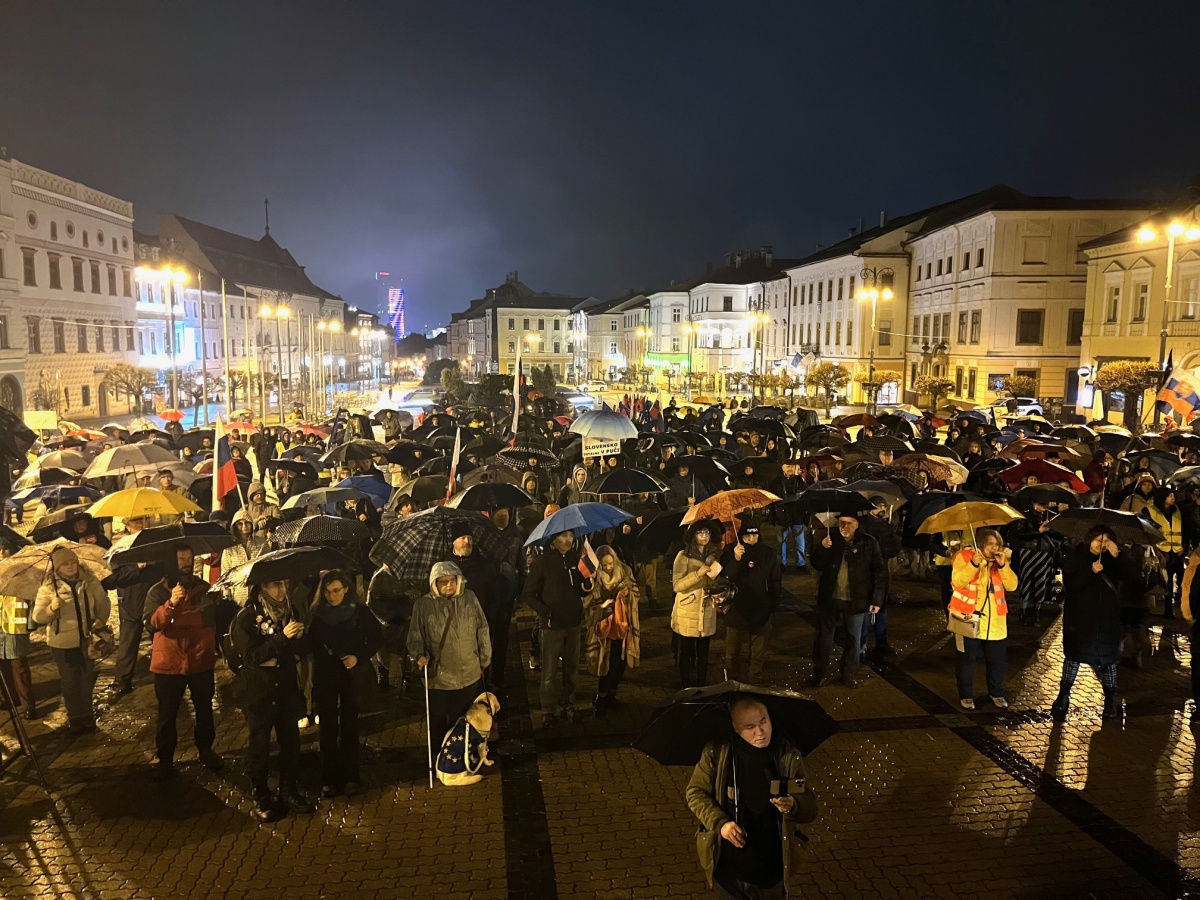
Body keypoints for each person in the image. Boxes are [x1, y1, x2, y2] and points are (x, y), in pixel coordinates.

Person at [685, 698, 818, 899]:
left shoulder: (786, 755)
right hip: (728, 872)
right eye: (750, 727)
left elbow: (809, 806)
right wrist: (721, 823)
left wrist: (793, 806)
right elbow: (695, 792)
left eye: (763, 722)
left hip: (770, 871)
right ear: (735, 728)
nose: (760, 732)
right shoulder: (717, 753)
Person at [231, 578, 316, 823]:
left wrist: (299, 637)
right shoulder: (247, 617)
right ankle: (261, 795)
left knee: (291, 742)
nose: (282, 590)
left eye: (284, 584)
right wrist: (283, 638)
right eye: (275, 585)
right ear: (261, 588)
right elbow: (251, 657)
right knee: (260, 746)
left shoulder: (291, 610)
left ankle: (288, 790)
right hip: (261, 691)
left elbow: (299, 650)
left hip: (286, 688)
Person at [143, 547, 223, 780]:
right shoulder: (157, 592)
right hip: (169, 664)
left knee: (205, 711)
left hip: (200, 660)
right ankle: (165, 759)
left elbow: (206, 618)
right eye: (180, 558)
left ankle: (206, 750)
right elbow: (152, 623)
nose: (186, 561)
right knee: (167, 715)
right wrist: (171, 604)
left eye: (189, 557)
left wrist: (177, 618)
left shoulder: (204, 588)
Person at [308, 569, 382, 798]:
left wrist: (358, 657)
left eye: (336, 591)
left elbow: (376, 638)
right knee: (328, 727)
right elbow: (313, 645)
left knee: (350, 726)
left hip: (352, 675)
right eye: (328, 592)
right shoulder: (318, 615)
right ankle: (329, 777)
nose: (332, 596)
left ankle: (351, 775)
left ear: (346, 589)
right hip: (327, 676)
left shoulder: (359, 612)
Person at [408, 561, 492, 738]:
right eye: (443, 581)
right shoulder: (423, 605)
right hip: (439, 677)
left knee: (463, 721)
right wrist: (419, 655)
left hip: (467, 673)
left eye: (452, 580)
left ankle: (461, 759)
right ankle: (440, 758)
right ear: (434, 583)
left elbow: (482, 628)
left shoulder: (470, 598)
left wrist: (484, 659)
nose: (448, 585)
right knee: (438, 722)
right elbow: (415, 635)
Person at [32, 546, 110, 733]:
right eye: (65, 564)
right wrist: (51, 609)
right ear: (57, 568)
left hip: (87, 640)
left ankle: (87, 714)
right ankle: (75, 716)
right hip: (62, 644)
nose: (70, 566)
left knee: (86, 678)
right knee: (69, 680)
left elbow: (103, 603)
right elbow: (38, 617)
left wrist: (99, 620)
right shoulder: (48, 588)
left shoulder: (89, 582)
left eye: (72, 562)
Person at [1053, 527, 1125, 721]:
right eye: (1097, 540)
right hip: (1080, 618)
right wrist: (1090, 572)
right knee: (1074, 656)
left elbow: (1130, 578)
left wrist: (1117, 556)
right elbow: (1073, 585)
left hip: (1107, 619)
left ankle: (1111, 699)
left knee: (1108, 659)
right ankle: (1063, 696)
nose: (1100, 544)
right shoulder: (1076, 557)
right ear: (1089, 539)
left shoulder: (1113, 557)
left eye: (1106, 540)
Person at [522, 530, 592, 726]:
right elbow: (527, 594)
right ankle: (548, 710)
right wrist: (546, 612)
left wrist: (587, 580)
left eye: (570, 536)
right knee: (550, 671)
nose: (568, 540)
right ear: (554, 540)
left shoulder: (574, 560)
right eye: (563, 537)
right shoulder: (542, 563)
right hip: (552, 626)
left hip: (573, 623)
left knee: (572, 668)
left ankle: (568, 704)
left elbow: (579, 589)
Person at [809, 513, 884, 689]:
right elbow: (817, 564)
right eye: (842, 523)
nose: (844, 527)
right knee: (823, 639)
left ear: (857, 525)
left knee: (854, 639)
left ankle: (848, 672)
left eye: (849, 523)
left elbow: (879, 572)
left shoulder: (868, 542)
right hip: (830, 599)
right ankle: (820, 672)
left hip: (856, 600)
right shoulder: (830, 539)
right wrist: (822, 548)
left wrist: (877, 599)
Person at [949, 529, 1018, 710]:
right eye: (990, 544)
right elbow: (958, 581)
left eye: (997, 544)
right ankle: (966, 695)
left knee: (997, 662)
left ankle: (996, 693)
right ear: (980, 544)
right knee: (966, 661)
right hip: (967, 619)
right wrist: (973, 564)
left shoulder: (1000, 560)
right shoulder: (963, 556)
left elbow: (1012, 585)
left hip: (995, 623)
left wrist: (1003, 566)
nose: (994, 548)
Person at [102, 515, 163, 701]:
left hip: (154, 602)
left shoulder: (156, 544)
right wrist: (138, 567)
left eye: (143, 521)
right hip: (130, 603)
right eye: (136, 523)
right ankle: (123, 681)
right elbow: (111, 580)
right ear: (128, 527)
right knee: (128, 644)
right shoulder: (119, 549)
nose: (141, 525)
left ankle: (167, 674)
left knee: (161, 640)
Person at [584, 545, 641, 712]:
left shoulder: (625, 571)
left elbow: (636, 592)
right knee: (608, 662)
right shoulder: (595, 578)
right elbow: (589, 603)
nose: (608, 567)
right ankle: (601, 696)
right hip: (606, 626)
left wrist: (626, 595)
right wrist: (603, 605)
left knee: (621, 661)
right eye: (604, 565)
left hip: (624, 623)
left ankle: (612, 694)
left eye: (610, 563)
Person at [721, 524, 780, 682]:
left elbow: (775, 581)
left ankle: (755, 678)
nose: (751, 540)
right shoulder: (730, 550)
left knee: (758, 650)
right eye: (747, 537)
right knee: (732, 650)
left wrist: (774, 605)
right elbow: (728, 576)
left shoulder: (768, 553)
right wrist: (736, 559)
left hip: (761, 608)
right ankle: (731, 679)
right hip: (737, 608)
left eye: (755, 536)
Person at [672, 523, 722, 689]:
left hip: (706, 609)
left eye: (707, 532)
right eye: (700, 532)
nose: (704, 536)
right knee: (685, 652)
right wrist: (698, 574)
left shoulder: (713, 557)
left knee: (703, 653)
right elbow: (677, 586)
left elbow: (715, 581)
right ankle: (684, 685)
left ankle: (702, 685)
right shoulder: (683, 556)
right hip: (687, 610)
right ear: (692, 535)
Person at [856, 497, 901, 662]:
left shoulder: (887, 526)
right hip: (865, 573)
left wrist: (885, 549)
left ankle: (881, 642)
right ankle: (861, 645)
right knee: (865, 610)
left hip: (882, 572)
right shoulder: (862, 525)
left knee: (881, 608)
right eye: (878, 506)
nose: (882, 508)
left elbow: (895, 548)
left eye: (884, 505)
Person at [0, 541, 37, 719]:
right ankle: (9, 698)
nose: (0, 553)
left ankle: (27, 705)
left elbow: (31, 597)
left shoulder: (23, 572)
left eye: (4, 549)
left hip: (15, 625)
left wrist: (31, 623)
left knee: (19, 667)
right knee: (3, 666)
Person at [1009, 501, 1061, 627]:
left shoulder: (1052, 516)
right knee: (1026, 581)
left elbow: (1059, 535)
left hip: (1045, 554)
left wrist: (1051, 529)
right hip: (1029, 552)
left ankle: (1036, 612)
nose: (1044, 506)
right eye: (1041, 503)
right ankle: (1023, 611)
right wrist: (1039, 531)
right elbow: (1020, 534)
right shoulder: (1026, 516)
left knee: (1041, 583)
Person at [1147, 487, 1184, 618]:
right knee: (1166, 582)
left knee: (1180, 581)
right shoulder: (1150, 511)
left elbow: (1183, 530)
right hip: (1161, 552)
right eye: (1170, 496)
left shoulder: (1177, 511)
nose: (1173, 498)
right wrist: (1156, 550)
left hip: (1177, 552)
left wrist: (1182, 547)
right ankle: (1168, 610)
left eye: (1173, 495)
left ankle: (1179, 608)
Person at [220, 510, 266, 606]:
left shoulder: (262, 543)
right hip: (238, 595)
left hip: (259, 594)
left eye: (246, 523)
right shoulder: (229, 548)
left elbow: (267, 567)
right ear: (235, 526)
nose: (244, 526)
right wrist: (227, 597)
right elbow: (225, 574)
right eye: (240, 524)